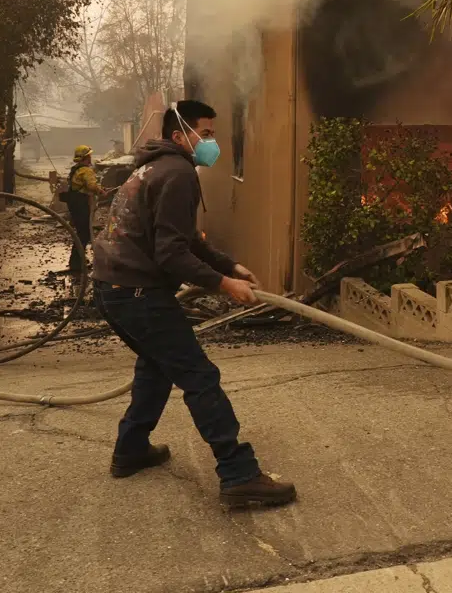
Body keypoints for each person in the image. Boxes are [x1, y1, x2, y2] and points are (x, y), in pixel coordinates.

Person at [91, 99, 296, 508]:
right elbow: (171, 253)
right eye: (205, 133)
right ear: (178, 136)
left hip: (112, 287)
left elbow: (183, 241)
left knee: (156, 367)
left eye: (213, 134)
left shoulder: (154, 167)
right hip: (136, 292)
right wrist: (224, 284)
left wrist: (229, 265)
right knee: (199, 376)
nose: (211, 142)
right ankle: (239, 475)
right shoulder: (179, 174)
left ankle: (130, 450)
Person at [63, 145, 105, 275]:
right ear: (86, 157)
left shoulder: (75, 169)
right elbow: (91, 185)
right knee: (84, 234)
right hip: (81, 204)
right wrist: (101, 191)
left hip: (74, 204)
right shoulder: (86, 171)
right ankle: (77, 263)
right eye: (89, 156)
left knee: (81, 232)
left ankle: (77, 261)